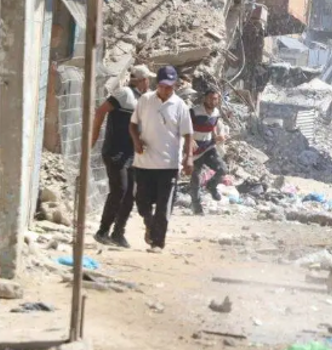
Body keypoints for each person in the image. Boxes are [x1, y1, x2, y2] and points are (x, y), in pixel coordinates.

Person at [129, 65, 194, 252]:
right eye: (163, 86)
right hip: (144, 163)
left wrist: (188, 157)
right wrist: (136, 142)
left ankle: (158, 242)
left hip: (168, 165)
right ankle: (149, 224)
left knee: (164, 208)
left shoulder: (180, 105)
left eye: (170, 86)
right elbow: (133, 125)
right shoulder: (145, 100)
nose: (166, 90)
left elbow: (188, 134)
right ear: (157, 84)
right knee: (142, 204)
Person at [90, 65, 154, 248]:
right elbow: (101, 111)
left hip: (132, 154)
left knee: (130, 194)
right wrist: (93, 138)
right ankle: (102, 231)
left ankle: (118, 233)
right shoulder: (124, 94)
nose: (149, 82)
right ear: (141, 80)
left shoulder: (144, 99)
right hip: (115, 151)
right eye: (147, 79)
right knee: (120, 190)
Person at [189, 88, 229, 214]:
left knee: (222, 169)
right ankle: (196, 207)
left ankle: (211, 186)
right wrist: (190, 139)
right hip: (194, 150)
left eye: (215, 99)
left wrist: (216, 136)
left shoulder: (216, 113)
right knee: (195, 178)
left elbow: (213, 127)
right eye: (210, 98)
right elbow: (183, 126)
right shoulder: (194, 111)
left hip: (208, 147)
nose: (213, 101)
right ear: (205, 98)